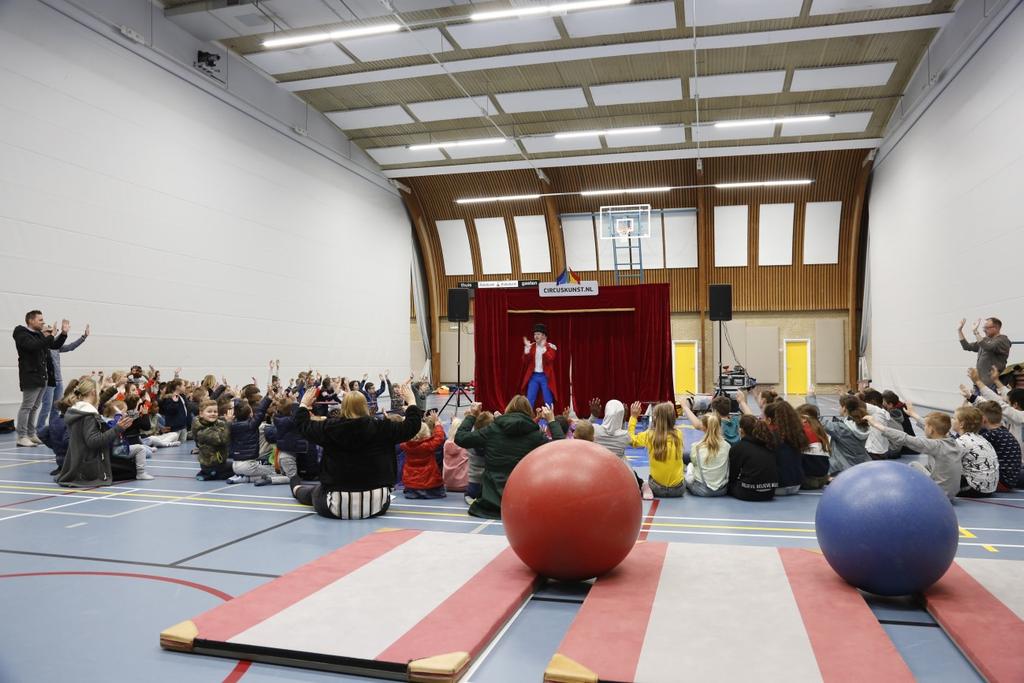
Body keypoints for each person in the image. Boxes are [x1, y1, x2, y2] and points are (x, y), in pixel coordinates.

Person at [292, 384, 422, 520]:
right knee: (318, 491)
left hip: (335, 505)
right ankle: (297, 488)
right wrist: (412, 401)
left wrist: (303, 404)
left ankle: (296, 488)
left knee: (315, 492)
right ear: (365, 406)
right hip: (377, 504)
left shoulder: (329, 428)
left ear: (344, 406)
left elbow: (302, 425)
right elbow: (412, 426)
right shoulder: (382, 428)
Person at [454, 397, 562, 519]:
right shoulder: (535, 435)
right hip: (521, 505)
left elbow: (460, 438)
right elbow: (561, 448)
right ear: (529, 412)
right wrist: (551, 421)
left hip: (490, 504)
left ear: (508, 409)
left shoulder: (492, 430)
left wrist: (472, 416)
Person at [867, 406, 962, 500]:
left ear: (930, 429)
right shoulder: (952, 440)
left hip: (939, 494)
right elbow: (933, 426)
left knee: (913, 465)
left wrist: (878, 426)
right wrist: (913, 414)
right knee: (921, 465)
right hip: (951, 493)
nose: (924, 427)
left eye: (926, 426)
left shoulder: (935, 445)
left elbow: (906, 439)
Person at [56, 379, 133, 487]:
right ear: (93, 392)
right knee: (131, 468)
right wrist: (118, 428)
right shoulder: (89, 415)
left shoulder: (76, 410)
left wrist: (115, 386)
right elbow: (94, 441)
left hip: (76, 462)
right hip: (89, 465)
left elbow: (100, 402)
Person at [12, 311, 68, 447]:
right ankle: (21, 436)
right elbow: (32, 346)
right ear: (31, 321)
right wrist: (50, 336)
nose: (43, 322)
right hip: (30, 376)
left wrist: (63, 334)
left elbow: (53, 345)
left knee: (35, 407)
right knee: (27, 406)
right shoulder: (21, 333)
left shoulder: (38, 336)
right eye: (40, 320)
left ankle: (31, 434)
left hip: (42, 376)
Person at [37, 324, 89, 433]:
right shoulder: (41, 346)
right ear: (41, 333)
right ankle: (40, 430)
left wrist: (83, 337)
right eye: (47, 331)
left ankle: (53, 429)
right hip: (48, 381)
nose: (50, 332)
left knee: (56, 406)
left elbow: (70, 347)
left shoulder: (55, 345)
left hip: (58, 380)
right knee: (46, 406)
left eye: (51, 331)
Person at [628, 401, 684, 499]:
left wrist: (633, 417)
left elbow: (630, 440)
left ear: (655, 419)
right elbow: (670, 426)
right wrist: (669, 410)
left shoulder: (650, 435)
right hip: (678, 490)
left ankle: (645, 488)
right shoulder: (678, 434)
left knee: (646, 480)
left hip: (657, 488)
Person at [807, 390, 871, 475]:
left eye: (840, 406)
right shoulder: (863, 424)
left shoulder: (842, 429)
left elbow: (818, 419)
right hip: (862, 466)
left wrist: (811, 398)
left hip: (843, 470)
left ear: (844, 408)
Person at [727, 414, 778, 501]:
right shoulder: (769, 443)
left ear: (741, 430)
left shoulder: (739, 447)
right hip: (770, 492)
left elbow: (732, 475)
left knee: (728, 486)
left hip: (749, 493)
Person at [762, 400, 808, 496]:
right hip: (796, 485)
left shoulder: (770, 436)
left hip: (778, 486)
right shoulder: (797, 434)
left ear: (769, 420)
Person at [974, 400, 1022, 490]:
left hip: (1001, 481)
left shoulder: (991, 435)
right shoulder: (1003, 431)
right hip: (1010, 480)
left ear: (983, 419)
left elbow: (969, 447)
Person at [401, 416, 447, 498]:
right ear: (426, 433)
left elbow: (400, 434)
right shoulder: (428, 445)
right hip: (430, 483)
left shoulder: (405, 445)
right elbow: (439, 437)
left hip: (412, 484)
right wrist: (437, 424)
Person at [686, 413, 730, 497]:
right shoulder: (727, 446)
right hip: (722, 490)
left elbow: (695, 464)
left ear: (703, 427)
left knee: (690, 466)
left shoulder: (696, 446)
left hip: (701, 489)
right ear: (719, 426)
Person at [958, 317, 1011, 388]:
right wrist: (959, 330)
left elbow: (987, 347)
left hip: (992, 384)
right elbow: (967, 346)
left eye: (986, 328)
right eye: (983, 328)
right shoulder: (985, 340)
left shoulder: (1002, 340)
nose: (984, 330)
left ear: (996, 328)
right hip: (980, 383)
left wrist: (976, 332)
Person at [192, 400, 232, 480]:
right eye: (209, 412)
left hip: (218, 462)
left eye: (215, 411)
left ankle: (206, 473)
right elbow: (222, 439)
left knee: (234, 465)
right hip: (213, 465)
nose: (213, 414)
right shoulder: (202, 432)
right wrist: (229, 423)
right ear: (201, 414)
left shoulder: (211, 423)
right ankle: (208, 474)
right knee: (238, 470)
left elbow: (220, 422)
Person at [521, 323, 558, 409]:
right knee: (530, 398)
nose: (535, 336)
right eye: (534, 334)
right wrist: (527, 349)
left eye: (538, 334)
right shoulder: (532, 346)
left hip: (545, 377)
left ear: (544, 336)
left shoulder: (550, 347)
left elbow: (550, 359)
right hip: (533, 376)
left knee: (548, 399)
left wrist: (543, 349)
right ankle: (528, 418)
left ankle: (549, 419)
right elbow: (525, 361)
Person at [795, 403, 831, 489]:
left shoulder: (802, 430)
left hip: (808, 481)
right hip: (822, 479)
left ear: (804, 419)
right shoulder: (822, 431)